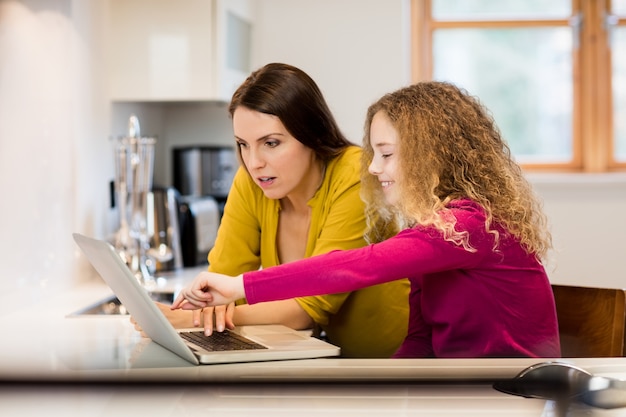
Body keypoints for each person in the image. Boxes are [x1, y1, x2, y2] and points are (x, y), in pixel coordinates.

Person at [170, 81, 562, 359]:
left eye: (386, 154)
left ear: (430, 156)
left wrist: (239, 285)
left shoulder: (466, 227)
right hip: (462, 389)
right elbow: (421, 343)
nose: (373, 167)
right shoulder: (434, 229)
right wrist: (382, 392)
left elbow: (355, 265)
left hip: (509, 395)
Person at [155, 63, 410, 358]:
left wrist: (189, 321)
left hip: (397, 363)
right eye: (243, 145)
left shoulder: (355, 175)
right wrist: (210, 305)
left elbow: (307, 309)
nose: (254, 162)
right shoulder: (252, 181)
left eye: (271, 143)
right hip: (336, 359)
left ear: (311, 134)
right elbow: (221, 281)